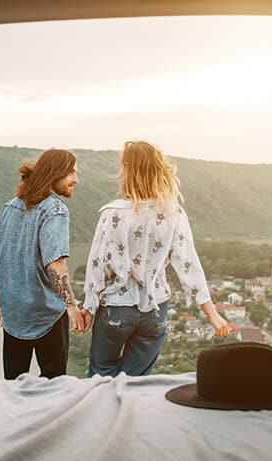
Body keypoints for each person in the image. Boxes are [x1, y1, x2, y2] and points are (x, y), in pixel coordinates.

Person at [81, 140, 230, 377]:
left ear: (127, 170)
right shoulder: (173, 213)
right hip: (155, 309)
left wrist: (89, 308)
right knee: (137, 383)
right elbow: (189, 265)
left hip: (116, 308)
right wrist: (212, 314)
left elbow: (97, 266)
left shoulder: (112, 214)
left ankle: (101, 414)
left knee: (101, 377)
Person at [0, 148, 88, 380]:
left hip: (14, 312)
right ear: (54, 172)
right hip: (46, 314)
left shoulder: (10, 206)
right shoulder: (55, 210)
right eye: (71, 173)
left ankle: (15, 416)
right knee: (53, 383)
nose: (76, 180)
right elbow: (55, 264)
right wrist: (71, 306)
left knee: (13, 383)